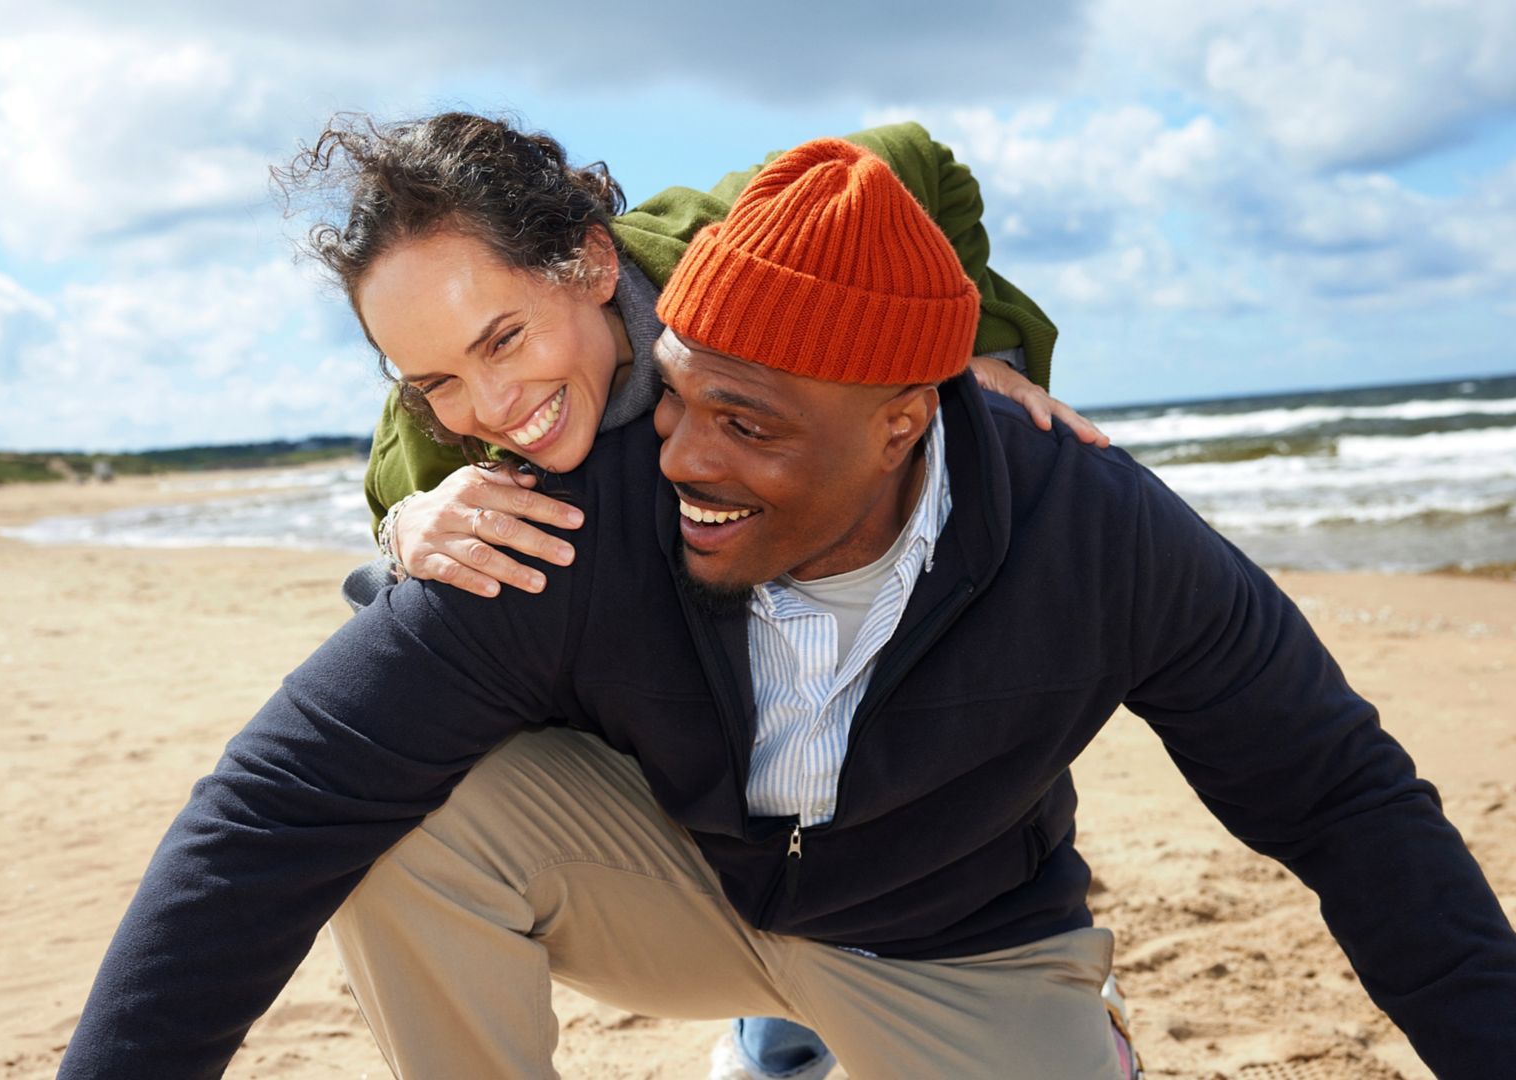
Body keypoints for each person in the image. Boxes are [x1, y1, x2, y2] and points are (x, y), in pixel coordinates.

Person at [60, 141, 1516, 1078]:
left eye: (753, 425)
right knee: (398, 816)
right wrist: (407, 522)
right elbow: (275, 805)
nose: (687, 464)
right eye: (679, 404)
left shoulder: (1090, 531)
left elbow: (1347, 804)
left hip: (950, 936)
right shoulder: (566, 501)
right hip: (686, 878)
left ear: (906, 420)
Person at [304, 112, 1103, 1078]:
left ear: (592, 264)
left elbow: (917, 159)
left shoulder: (729, 249)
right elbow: (401, 591)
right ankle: (776, 1020)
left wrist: (955, 342)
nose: (493, 404)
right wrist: (409, 529)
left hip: (919, 830)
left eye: (506, 339)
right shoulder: (435, 430)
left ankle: (886, 1009)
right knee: (425, 793)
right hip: (684, 807)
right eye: (434, 378)